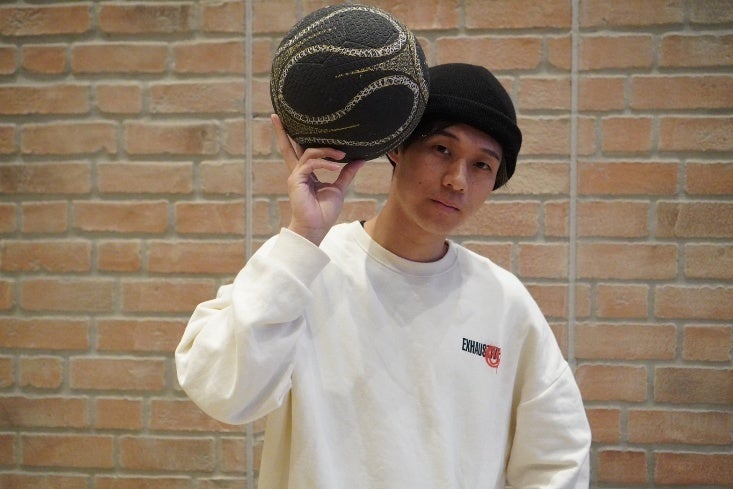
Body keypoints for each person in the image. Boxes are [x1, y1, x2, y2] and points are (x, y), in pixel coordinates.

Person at [176, 63, 591, 488]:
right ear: (397, 147)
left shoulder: (503, 302)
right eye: (441, 149)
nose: (457, 181)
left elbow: (559, 457)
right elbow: (222, 390)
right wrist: (303, 234)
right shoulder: (305, 266)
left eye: (482, 165)